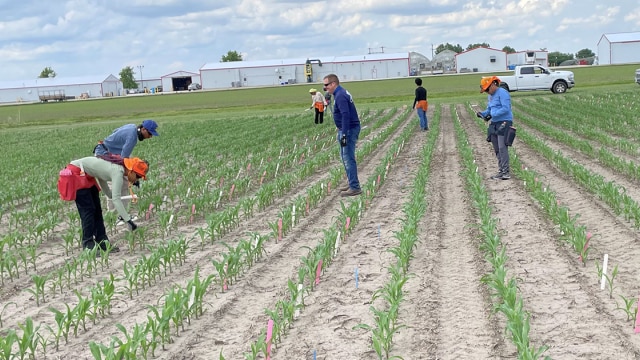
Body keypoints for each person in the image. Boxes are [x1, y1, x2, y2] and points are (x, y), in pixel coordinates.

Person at [57, 156, 149, 253]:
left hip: (86, 175)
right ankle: (88, 244)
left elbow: (104, 183)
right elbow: (116, 200)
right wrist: (128, 220)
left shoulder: (115, 168)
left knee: (97, 210)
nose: (137, 180)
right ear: (131, 171)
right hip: (77, 174)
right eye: (138, 176)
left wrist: (112, 196)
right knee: (88, 211)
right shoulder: (118, 172)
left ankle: (102, 241)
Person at [94, 119, 159, 221]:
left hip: (105, 151)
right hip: (105, 154)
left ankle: (119, 215)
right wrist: (133, 177)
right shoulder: (132, 138)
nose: (150, 137)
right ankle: (116, 217)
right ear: (144, 129)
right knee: (117, 183)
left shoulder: (131, 127)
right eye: (150, 134)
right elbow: (123, 159)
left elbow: (115, 132)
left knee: (122, 182)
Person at [323, 74, 362, 196]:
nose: (325, 88)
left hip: (349, 130)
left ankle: (355, 187)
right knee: (344, 157)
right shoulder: (340, 93)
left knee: (348, 158)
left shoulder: (340, 96)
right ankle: (351, 182)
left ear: (333, 83)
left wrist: (344, 133)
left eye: (327, 85)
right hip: (346, 129)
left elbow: (346, 115)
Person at [477, 76, 513, 180]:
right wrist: (483, 114)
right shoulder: (490, 96)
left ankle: (506, 172)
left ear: (493, 85)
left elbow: (506, 108)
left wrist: (494, 113)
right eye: (485, 90)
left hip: (504, 122)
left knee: (502, 147)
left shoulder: (503, 93)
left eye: (487, 89)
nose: (487, 92)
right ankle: (501, 171)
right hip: (494, 123)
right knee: (496, 147)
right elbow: (489, 108)